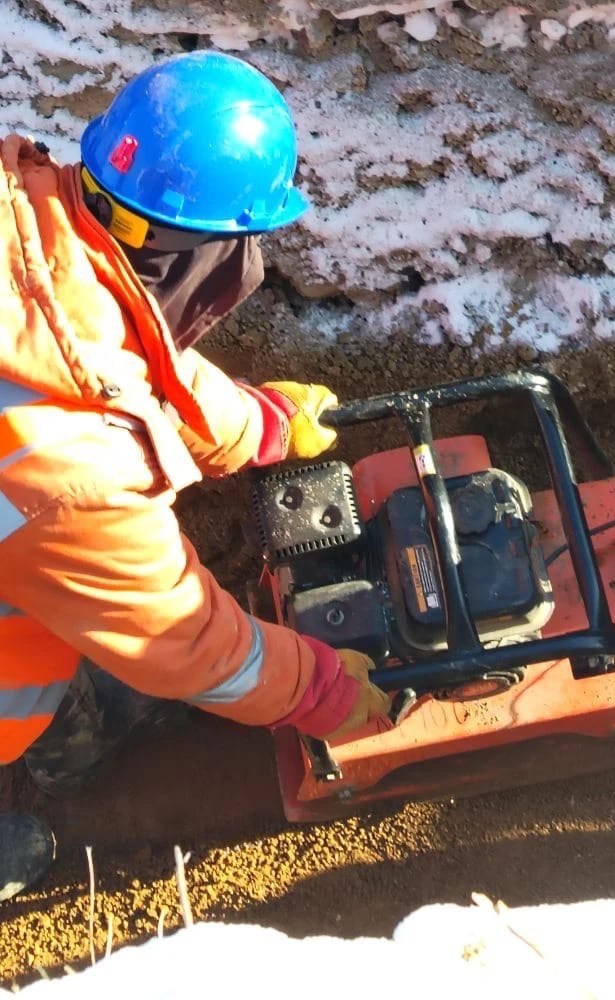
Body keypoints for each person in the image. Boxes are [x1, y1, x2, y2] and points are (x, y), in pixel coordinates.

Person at [0, 50, 390, 901]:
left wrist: (262, 426)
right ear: (196, 258)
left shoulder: (29, 222)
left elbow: (113, 352)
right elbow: (186, 646)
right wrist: (320, 689)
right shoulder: (71, 470)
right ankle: (58, 770)